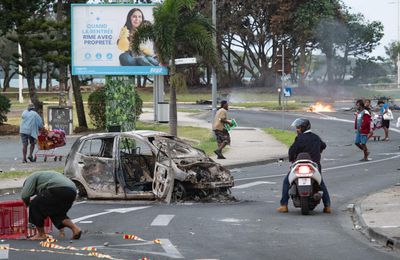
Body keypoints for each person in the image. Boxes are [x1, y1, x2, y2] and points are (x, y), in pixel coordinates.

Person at [276, 118, 331, 214]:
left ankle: (284, 205)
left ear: (303, 128)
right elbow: (323, 146)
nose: (297, 129)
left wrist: (292, 159)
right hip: (314, 166)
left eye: (298, 128)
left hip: (300, 166)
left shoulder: (299, 138)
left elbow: (292, 151)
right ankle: (327, 206)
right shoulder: (316, 137)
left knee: (286, 182)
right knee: (320, 184)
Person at [21, 171, 81, 240]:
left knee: (34, 205)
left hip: (58, 188)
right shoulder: (45, 177)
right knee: (57, 214)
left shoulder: (31, 178)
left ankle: (41, 234)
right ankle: (76, 229)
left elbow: (25, 195)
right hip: (72, 191)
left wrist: (28, 205)